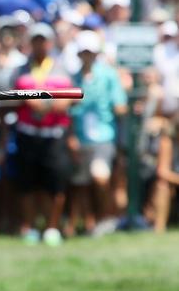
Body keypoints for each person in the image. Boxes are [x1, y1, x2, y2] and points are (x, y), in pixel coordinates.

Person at [11, 23, 74, 246]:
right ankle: (29, 226)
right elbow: (13, 98)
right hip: (28, 134)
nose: (39, 45)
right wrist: (30, 102)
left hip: (54, 134)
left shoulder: (61, 67)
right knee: (27, 184)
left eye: (43, 40)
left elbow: (69, 98)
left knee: (55, 184)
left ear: (50, 43)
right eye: (35, 40)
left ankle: (51, 227)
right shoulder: (20, 69)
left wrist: (46, 106)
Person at [66, 31, 127, 237]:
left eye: (90, 52)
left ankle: (107, 218)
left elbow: (120, 105)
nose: (87, 56)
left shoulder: (109, 75)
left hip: (104, 135)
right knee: (80, 184)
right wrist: (71, 136)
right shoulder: (73, 78)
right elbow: (69, 111)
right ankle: (90, 223)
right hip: (81, 136)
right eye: (84, 52)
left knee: (99, 176)